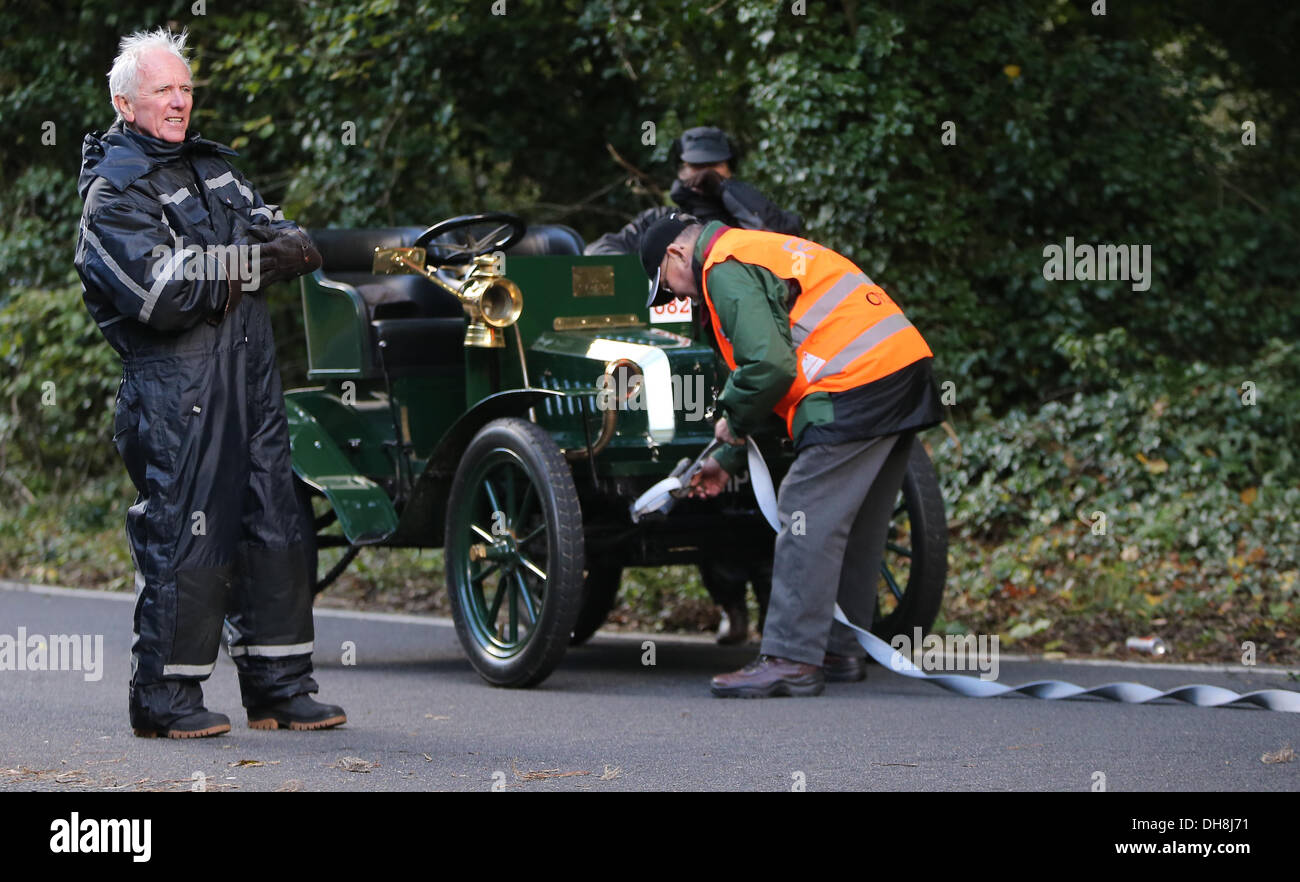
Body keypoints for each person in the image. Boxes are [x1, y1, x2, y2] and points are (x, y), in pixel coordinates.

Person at [74, 28, 344, 737]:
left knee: (275, 525)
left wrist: (234, 262)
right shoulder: (113, 196)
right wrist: (245, 264)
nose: (179, 101)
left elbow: (289, 239)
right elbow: (163, 294)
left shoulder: (212, 169)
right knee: (186, 536)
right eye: (164, 90)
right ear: (125, 102)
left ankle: (279, 685)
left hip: (251, 382)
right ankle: (165, 699)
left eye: (186, 88)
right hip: (176, 397)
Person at [639, 214, 945, 697]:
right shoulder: (753, 247)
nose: (678, 297)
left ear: (677, 254)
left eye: (668, 284)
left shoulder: (723, 266)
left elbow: (769, 365)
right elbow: (775, 376)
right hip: (898, 367)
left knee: (805, 509)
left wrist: (731, 420)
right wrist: (728, 457)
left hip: (854, 381)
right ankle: (837, 650)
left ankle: (789, 657)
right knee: (859, 522)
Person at [584, 126, 802, 257]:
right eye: (697, 166)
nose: (704, 174)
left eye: (714, 166)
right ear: (681, 171)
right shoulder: (660, 220)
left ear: (730, 169)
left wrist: (725, 189)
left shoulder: (747, 219)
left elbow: (782, 240)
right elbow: (598, 251)